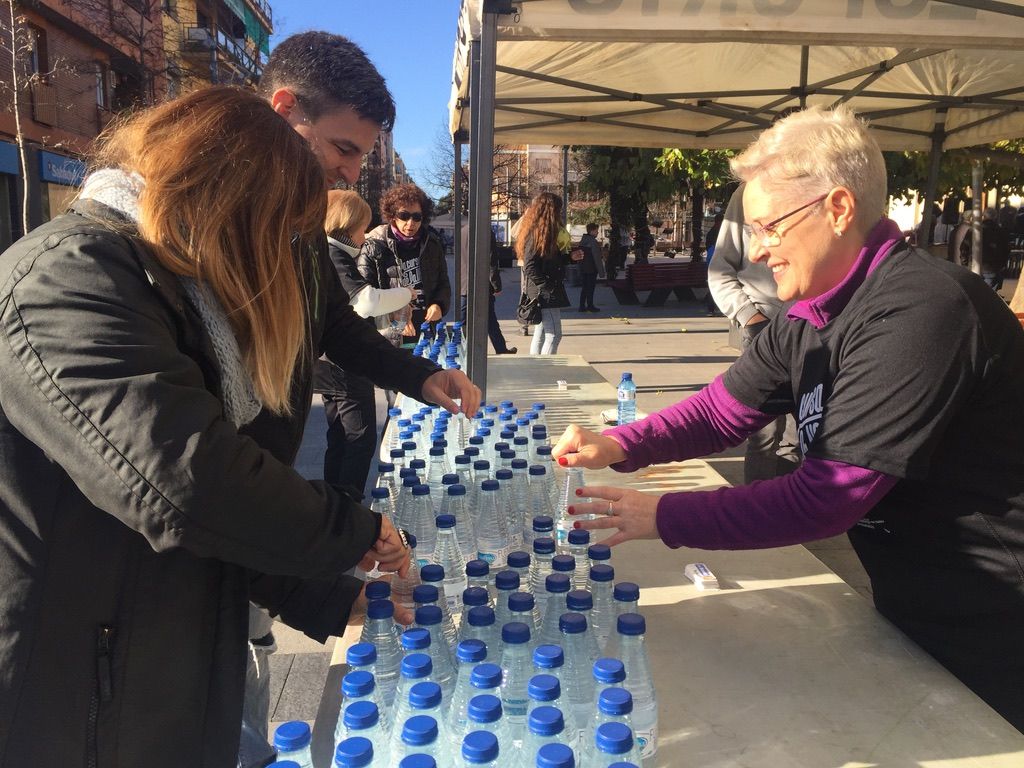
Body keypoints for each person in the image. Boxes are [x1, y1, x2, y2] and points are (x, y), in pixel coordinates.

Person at [553, 106, 1024, 731]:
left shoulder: (918, 309)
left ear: (837, 208)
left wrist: (660, 516)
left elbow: (826, 499)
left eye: (770, 226)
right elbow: (724, 409)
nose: (758, 249)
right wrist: (617, 443)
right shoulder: (808, 312)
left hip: (997, 612)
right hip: (913, 594)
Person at [0, 87, 421, 766]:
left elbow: (215, 527)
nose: (281, 259)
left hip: (157, 660)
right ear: (216, 200)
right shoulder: (68, 282)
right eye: (273, 232)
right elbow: (185, 482)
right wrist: (354, 531)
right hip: (71, 691)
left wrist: (329, 597)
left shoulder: (175, 284)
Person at [258, 31, 480, 761]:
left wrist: (420, 376)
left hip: (239, 533)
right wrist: (347, 527)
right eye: (345, 149)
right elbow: (182, 473)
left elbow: (335, 328)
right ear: (283, 110)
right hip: (179, 556)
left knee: (245, 678)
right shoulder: (112, 267)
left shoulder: (292, 235)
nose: (351, 171)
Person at [320, 190, 418, 496]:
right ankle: (346, 508)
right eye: (362, 227)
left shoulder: (331, 253)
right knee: (358, 439)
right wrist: (407, 295)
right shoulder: (334, 254)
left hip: (329, 361)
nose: (364, 235)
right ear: (348, 225)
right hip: (343, 361)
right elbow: (364, 302)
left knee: (340, 437)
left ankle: (335, 503)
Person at [708, 185, 800, 482]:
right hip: (762, 324)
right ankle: (757, 514)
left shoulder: (823, 185)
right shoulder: (751, 191)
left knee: (801, 432)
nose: (762, 251)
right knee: (763, 431)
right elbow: (720, 270)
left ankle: (785, 507)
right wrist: (750, 317)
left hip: (814, 326)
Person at [359, 183, 451, 344]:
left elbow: (443, 282)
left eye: (416, 217)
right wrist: (397, 317)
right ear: (392, 215)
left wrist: (438, 304)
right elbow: (365, 295)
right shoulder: (375, 245)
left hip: (425, 328)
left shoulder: (432, 244)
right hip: (388, 332)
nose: (410, 223)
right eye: (404, 216)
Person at [517, 192, 582, 355]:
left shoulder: (544, 233)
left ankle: (535, 369)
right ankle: (546, 369)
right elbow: (530, 266)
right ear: (549, 211)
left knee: (541, 333)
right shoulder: (536, 234)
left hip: (545, 290)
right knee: (554, 334)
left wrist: (569, 258)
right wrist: (546, 287)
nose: (559, 215)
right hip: (544, 292)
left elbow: (549, 261)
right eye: (557, 211)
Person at [460, 219, 517, 354]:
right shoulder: (485, 232)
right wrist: (496, 284)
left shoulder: (462, 231)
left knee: (464, 319)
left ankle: (462, 348)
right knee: (490, 318)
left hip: (464, 283)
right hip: (481, 284)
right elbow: (491, 260)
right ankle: (500, 348)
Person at [980, 206, 1011, 290]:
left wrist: (965, 262)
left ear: (984, 216)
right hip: (992, 265)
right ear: (995, 217)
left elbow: (965, 246)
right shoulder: (1000, 231)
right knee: (989, 290)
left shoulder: (976, 229)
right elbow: (1006, 249)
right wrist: (1002, 263)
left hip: (976, 262)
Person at [577, 222, 603, 312]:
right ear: (591, 231)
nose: (597, 233)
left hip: (583, 268)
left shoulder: (583, 240)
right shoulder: (593, 241)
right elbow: (597, 258)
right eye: (596, 231)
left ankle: (581, 306)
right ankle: (590, 305)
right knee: (591, 288)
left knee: (584, 287)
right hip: (591, 268)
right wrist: (601, 272)